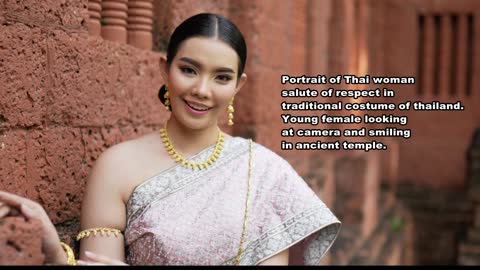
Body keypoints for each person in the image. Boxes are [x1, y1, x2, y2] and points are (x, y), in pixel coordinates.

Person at [0, 13, 340, 265]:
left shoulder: (265, 174)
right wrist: (53, 250)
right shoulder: (118, 167)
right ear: (166, 69)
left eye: (221, 77)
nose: (202, 90)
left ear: (238, 86)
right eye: (189, 70)